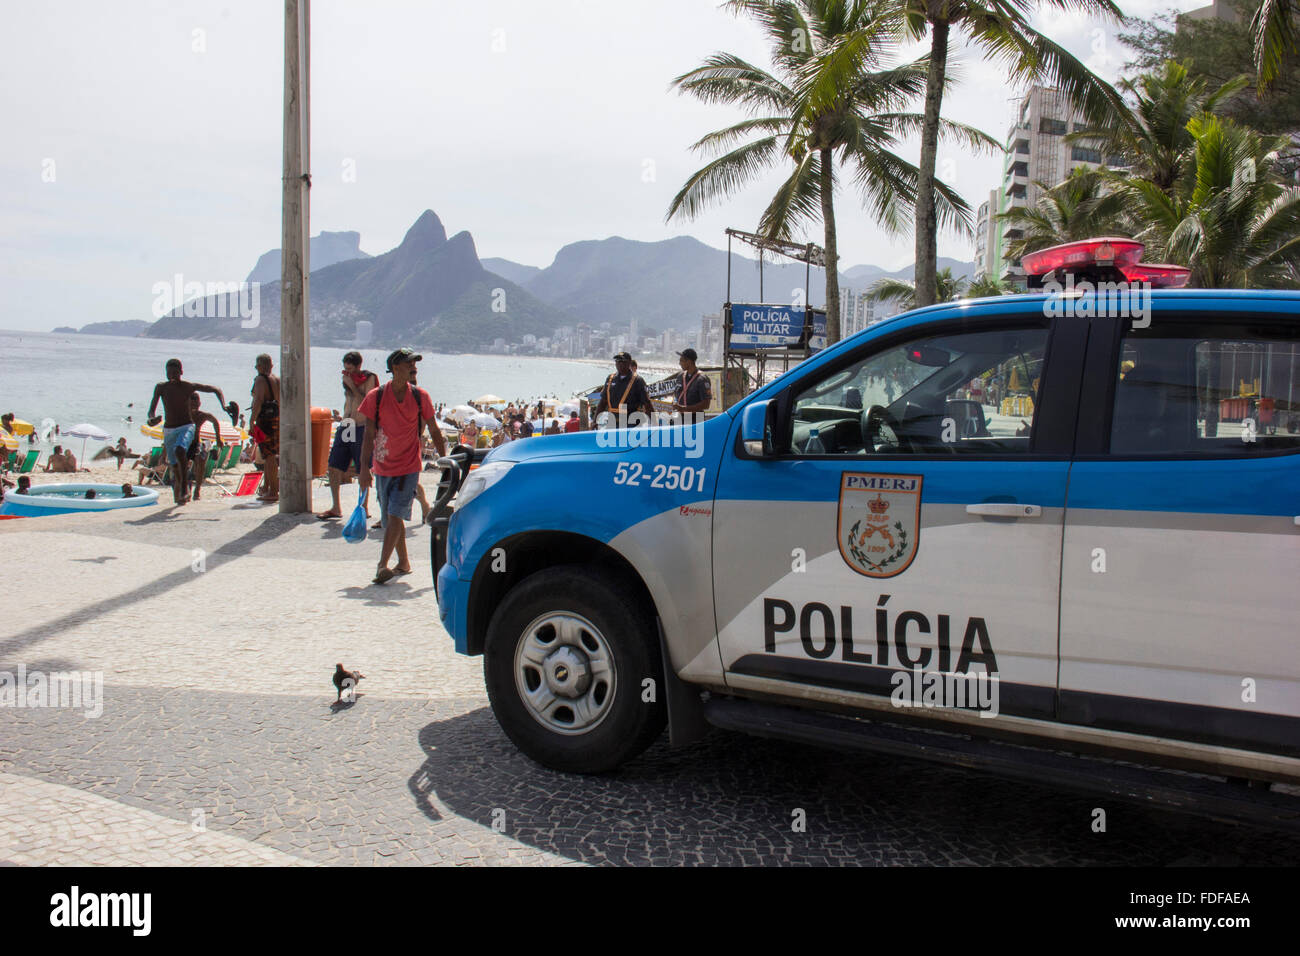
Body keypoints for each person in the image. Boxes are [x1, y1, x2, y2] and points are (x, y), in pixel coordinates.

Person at [356, 348, 447, 585]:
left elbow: (434, 429)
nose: (413, 368)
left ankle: (382, 565)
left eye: (414, 364)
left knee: (395, 514)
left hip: (409, 466)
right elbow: (367, 435)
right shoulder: (375, 396)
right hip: (383, 466)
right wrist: (364, 470)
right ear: (395, 368)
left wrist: (446, 460)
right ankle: (404, 562)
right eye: (409, 364)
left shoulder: (420, 396)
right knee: (389, 519)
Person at [146, 358, 228, 505]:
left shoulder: (188, 387)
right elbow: (151, 410)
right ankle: (181, 489)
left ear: (181, 372)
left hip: (186, 426)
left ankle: (185, 487)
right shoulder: (161, 387)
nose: (171, 375)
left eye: (175, 372)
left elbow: (215, 389)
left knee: (180, 450)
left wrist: (224, 405)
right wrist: (152, 419)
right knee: (174, 465)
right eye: (169, 372)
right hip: (169, 429)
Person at [319, 352, 380, 520]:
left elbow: (368, 403)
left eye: (351, 369)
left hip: (362, 426)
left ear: (358, 366)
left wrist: (353, 386)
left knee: (363, 468)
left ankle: (364, 507)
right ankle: (336, 506)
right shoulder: (347, 378)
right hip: (347, 424)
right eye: (345, 369)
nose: (348, 372)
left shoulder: (369, 379)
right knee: (334, 466)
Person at [249, 353, 281, 502]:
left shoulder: (261, 380)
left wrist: (251, 421)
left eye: (257, 365)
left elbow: (258, 400)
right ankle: (268, 487)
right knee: (271, 455)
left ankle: (273, 491)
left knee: (269, 456)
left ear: (261, 366)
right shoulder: (276, 379)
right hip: (276, 419)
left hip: (265, 421)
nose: (256, 368)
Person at [594, 352, 653, 427]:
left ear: (629, 363)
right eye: (617, 361)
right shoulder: (610, 379)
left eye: (622, 361)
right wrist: (595, 421)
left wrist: (654, 423)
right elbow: (603, 402)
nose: (619, 363)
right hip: (613, 423)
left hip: (631, 424)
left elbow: (647, 404)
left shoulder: (637, 381)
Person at [185, 393, 225, 501]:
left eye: (196, 404)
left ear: (199, 404)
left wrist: (218, 438)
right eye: (191, 404)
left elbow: (215, 421)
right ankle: (186, 489)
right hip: (184, 444)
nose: (194, 407)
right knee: (182, 467)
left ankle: (197, 490)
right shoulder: (182, 415)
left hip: (196, 444)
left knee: (201, 460)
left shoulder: (201, 415)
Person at [672, 348, 712, 423]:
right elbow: (676, 393)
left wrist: (685, 409)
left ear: (689, 362)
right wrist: (674, 402)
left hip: (695, 419)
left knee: (695, 435)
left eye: (681, 361)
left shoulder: (702, 379)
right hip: (679, 417)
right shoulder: (680, 376)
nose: (679, 363)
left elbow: (706, 404)